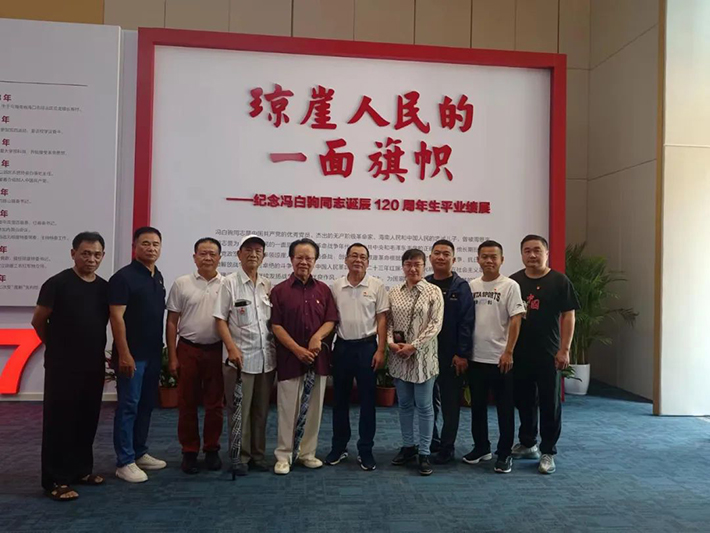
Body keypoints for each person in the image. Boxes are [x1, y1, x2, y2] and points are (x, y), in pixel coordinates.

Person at [32, 232, 109, 501]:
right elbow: (38, 320)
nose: (91, 259)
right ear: (73, 253)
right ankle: (55, 479)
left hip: (93, 363)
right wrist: (54, 345)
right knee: (59, 421)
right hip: (62, 365)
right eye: (86, 253)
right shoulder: (57, 284)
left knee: (87, 418)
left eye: (97, 254)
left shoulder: (103, 287)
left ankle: (81, 470)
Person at [510, 234, 580, 475]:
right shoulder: (514, 281)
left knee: (550, 403)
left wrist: (564, 349)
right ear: (521, 254)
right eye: (527, 251)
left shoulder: (559, 281)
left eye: (537, 250)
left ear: (546, 253)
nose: (532, 255)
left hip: (549, 352)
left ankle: (548, 450)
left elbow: (569, 315)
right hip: (520, 352)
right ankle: (528, 443)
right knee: (524, 400)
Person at [270, 238, 338, 475]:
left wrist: (317, 337)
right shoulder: (279, 291)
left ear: (315, 261)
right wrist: (297, 349)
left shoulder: (324, 290)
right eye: (299, 257)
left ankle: (307, 453)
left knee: (314, 409)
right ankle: (284, 455)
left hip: (317, 358)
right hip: (290, 359)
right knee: (288, 408)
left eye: (309, 258)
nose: (304, 262)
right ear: (291, 259)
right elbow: (276, 325)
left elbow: (330, 320)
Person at [214, 234, 276, 476]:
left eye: (258, 250)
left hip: (266, 360)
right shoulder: (229, 283)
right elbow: (220, 319)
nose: (253, 254)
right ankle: (239, 457)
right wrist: (231, 348)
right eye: (248, 249)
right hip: (239, 360)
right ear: (239, 254)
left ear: (264, 256)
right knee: (239, 411)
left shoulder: (267, 285)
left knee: (260, 411)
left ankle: (257, 456)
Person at [109, 226, 167, 483]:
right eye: (146, 243)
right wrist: (124, 353)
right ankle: (124, 461)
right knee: (128, 406)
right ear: (134, 246)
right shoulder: (123, 278)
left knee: (146, 405)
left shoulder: (157, 276)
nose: (151, 248)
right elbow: (116, 317)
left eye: (155, 244)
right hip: (132, 355)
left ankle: (139, 452)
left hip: (153, 354)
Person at [326, 243, 389, 471]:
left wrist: (381, 350)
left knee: (368, 402)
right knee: (339, 401)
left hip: (367, 348)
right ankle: (339, 446)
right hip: (342, 347)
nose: (358, 260)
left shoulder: (376, 286)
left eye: (363, 257)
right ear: (346, 260)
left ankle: (365, 450)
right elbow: (331, 320)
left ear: (368, 262)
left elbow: (382, 320)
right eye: (354, 256)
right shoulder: (336, 286)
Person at [465, 240, 525, 474]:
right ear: (478, 259)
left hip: (501, 359)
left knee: (504, 409)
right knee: (477, 407)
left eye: (493, 257)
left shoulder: (510, 286)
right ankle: (481, 447)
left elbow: (516, 319)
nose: (489, 261)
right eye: (484, 256)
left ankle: (504, 453)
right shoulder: (472, 285)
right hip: (475, 357)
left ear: (501, 260)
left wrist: (509, 351)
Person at [166, 238, 224, 475]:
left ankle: (211, 449)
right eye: (203, 253)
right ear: (194, 257)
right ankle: (189, 451)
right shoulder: (182, 283)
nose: (207, 258)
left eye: (212, 254)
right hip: (188, 349)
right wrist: (172, 356)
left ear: (219, 258)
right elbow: (172, 321)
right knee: (187, 403)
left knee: (215, 404)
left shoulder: (227, 284)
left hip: (217, 350)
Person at [387, 249, 444, 476]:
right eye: (408, 264)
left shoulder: (433, 291)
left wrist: (414, 346)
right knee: (404, 404)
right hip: (399, 357)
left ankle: (425, 452)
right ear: (403, 266)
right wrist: (391, 343)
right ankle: (408, 446)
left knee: (425, 406)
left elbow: (435, 324)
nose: (412, 269)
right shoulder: (394, 292)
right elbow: (387, 322)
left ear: (424, 266)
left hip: (423, 359)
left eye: (417, 264)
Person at [425, 239, 474, 464]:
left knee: (450, 402)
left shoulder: (461, 287)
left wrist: (462, 353)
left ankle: (447, 446)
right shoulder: (425, 284)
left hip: (451, 354)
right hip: (426, 353)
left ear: (454, 259)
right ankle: (432, 440)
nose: (441, 257)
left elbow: (467, 322)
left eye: (446, 254)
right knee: (427, 400)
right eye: (437, 253)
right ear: (430, 258)